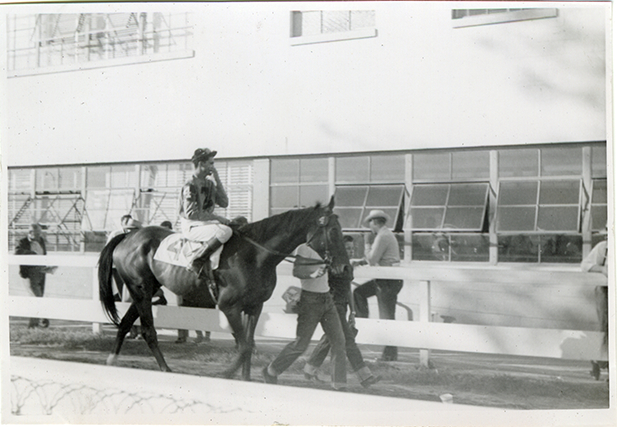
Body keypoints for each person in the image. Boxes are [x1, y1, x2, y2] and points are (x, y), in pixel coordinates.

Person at [263, 243, 347, 391]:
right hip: (310, 301)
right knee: (300, 345)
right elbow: (297, 271)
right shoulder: (304, 248)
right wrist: (313, 274)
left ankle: (339, 385)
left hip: (327, 299)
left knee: (339, 341)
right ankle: (271, 371)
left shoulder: (326, 250)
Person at [303, 235, 381, 388]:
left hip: (341, 308)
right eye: (347, 248)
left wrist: (352, 312)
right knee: (348, 340)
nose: (351, 251)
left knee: (330, 339)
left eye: (352, 248)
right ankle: (364, 377)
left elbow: (348, 290)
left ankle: (309, 369)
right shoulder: (331, 265)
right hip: (331, 307)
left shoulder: (348, 266)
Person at [352, 210, 403, 362]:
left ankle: (389, 355)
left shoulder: (382, 236)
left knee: (386, 317)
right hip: (386, 279)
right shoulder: (385, 234)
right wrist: (362, 261)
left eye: (370, 224)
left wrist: (367, 243)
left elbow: (373, 258)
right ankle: (364, 323)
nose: (370, 228)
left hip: (388, 281)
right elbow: (375, 257)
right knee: (358, 293)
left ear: (374, 222)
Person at [179, 148, 232, 290]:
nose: (213, 167)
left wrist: (217, 180)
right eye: (211, 163)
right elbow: (191, 213)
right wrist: (218, 217)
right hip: (192, 225)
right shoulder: (190, 185)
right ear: (201, 164)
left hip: (206, 223)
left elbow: (225, 203)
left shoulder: (209, 184)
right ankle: (197, 261)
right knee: (225, 232)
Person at [581, 229, 609, 380]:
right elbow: (585, 265)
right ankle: (598, 364)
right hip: (606, 292)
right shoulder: (603, 247)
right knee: (605, 327)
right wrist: (602, 269)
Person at [16, 223, 55, 329]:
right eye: (36, 234)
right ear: (30, 232)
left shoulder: (41, 240)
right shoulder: (23, 242)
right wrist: (31, 253)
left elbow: (43, 255)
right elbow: (17, 252)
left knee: (39, 297)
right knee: (36, 297)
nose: (38, 236)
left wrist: (47, 266)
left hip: (41, 272)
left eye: (39, 233)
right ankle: (40, 320)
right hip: (29, 273)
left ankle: (36, 324)